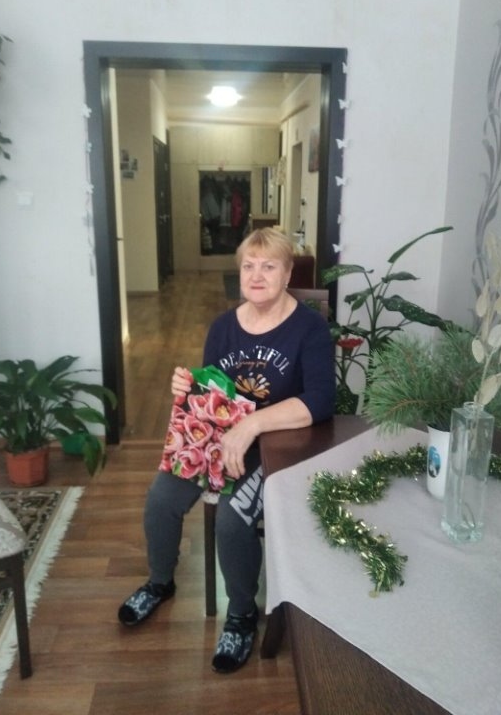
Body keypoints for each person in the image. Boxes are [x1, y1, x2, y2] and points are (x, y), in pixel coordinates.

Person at [118, 227, 335, 673]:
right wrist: (188, 387)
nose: (256, 275)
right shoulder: (223, 327)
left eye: (269, 266)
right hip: (221, 438)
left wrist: (252, 425)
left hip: (276, 446)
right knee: (160, 499)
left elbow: (319, 401)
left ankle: (241, 614)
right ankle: (160, 583)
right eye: (248, 266)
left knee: (233, 521)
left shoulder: (309, 328)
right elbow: (214, 391)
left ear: (287, 273)